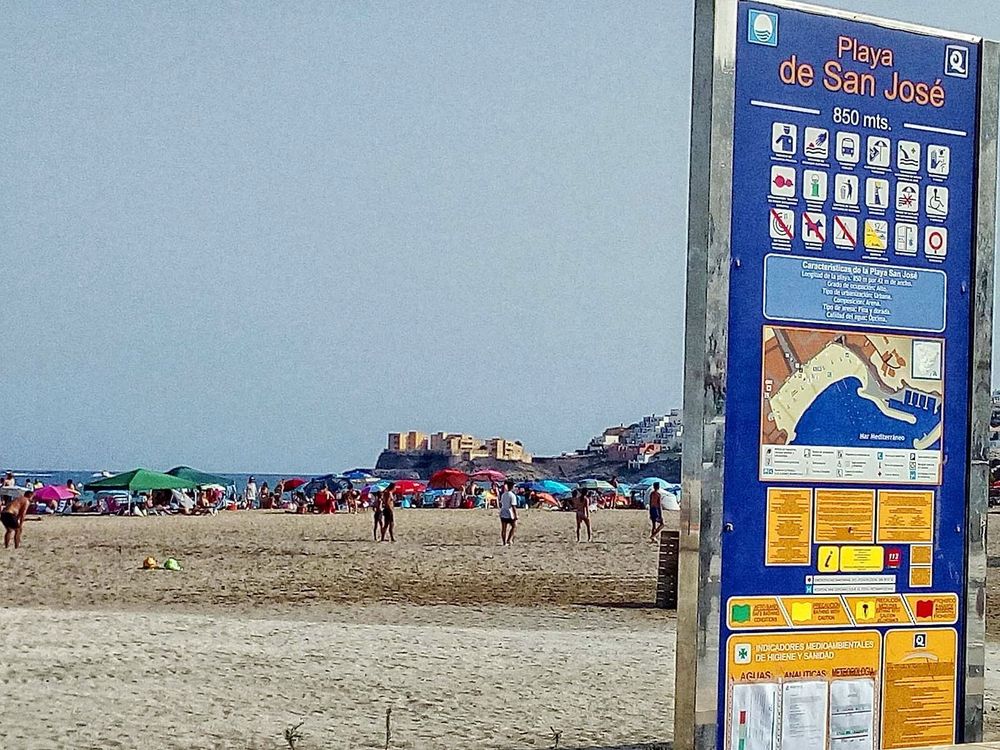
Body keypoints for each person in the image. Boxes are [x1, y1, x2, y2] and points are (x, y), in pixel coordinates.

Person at [499, 480, 518, 546]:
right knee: (514, 526)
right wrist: (516, 515)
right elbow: (513, 506)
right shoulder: (512, 495)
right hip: (509, 513)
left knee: (504, 528)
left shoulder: (504, 494)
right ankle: (509, 540)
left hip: (503, 512)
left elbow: (501, 503)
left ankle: (504, 542)